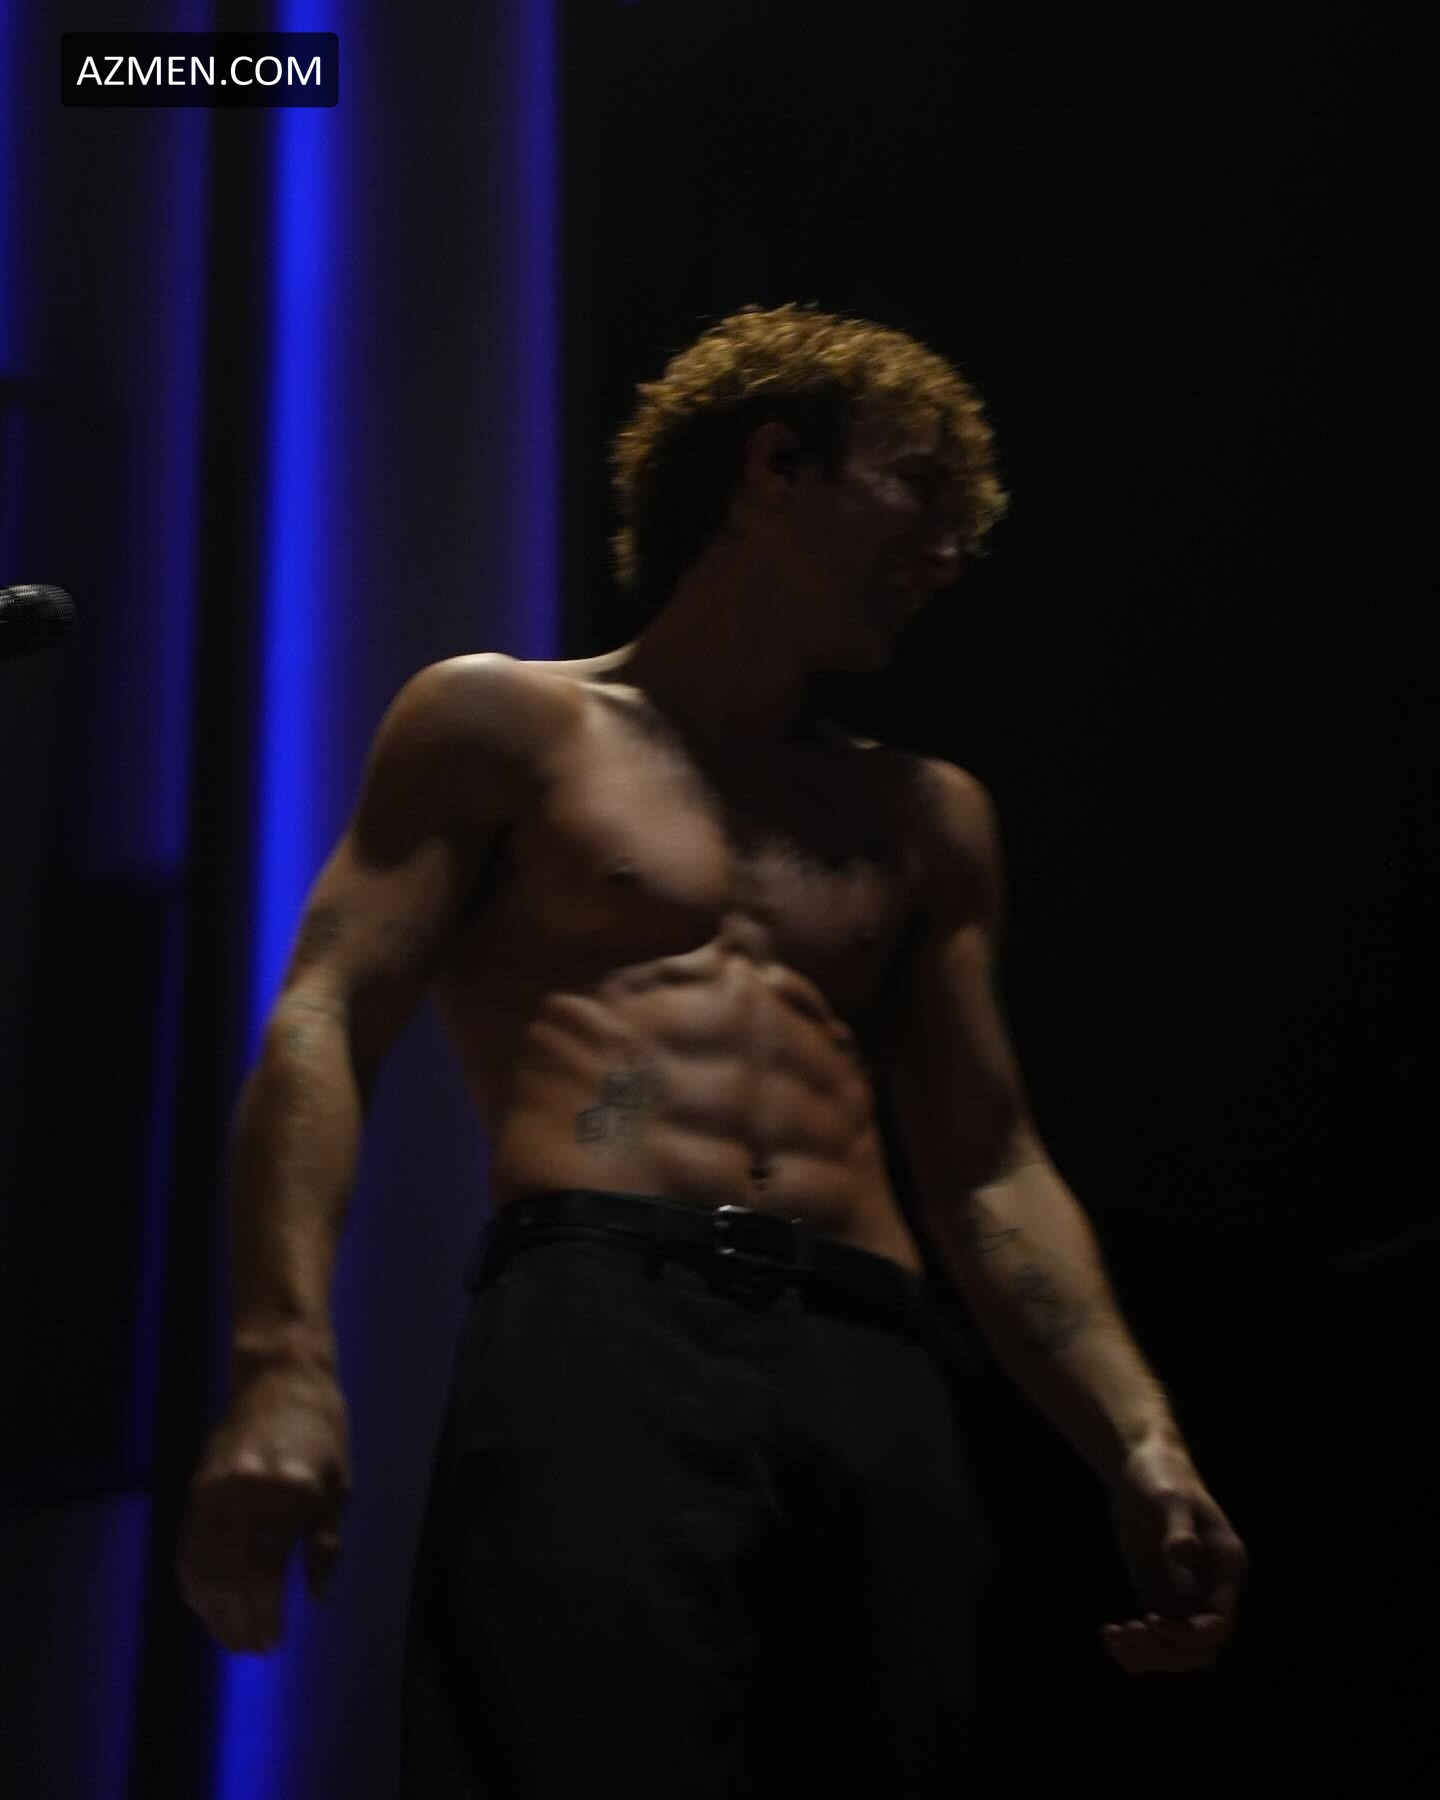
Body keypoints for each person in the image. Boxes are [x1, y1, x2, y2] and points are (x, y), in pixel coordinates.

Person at [176, 302, 1248, 1795]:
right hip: (605, 1318)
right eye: (920, 492)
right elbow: (324, 1021)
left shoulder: (922, 814)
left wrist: (1139, 1437)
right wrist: (282, 1359)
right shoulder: (500, 723)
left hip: (873, 1355)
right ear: (773, 467)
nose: (949, 553)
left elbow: (988, 1164)